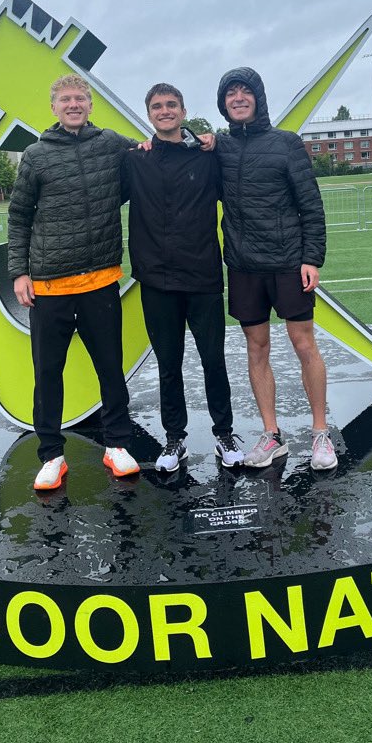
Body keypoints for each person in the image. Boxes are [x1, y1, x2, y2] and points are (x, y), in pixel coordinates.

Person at [8, 73, 140, 489]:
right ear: (53, 107)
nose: (73, 105)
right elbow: (19, 217)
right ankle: (50, 454)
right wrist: (19, 271)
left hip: (100, 281)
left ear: (90, 104)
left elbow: (152, 154)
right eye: (65, 99)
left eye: (80, 98)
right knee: (48, 372)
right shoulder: (35, 154)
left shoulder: (112, 144)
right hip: (49, 287)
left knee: (110, 369)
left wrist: (200, 142)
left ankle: (117, 445)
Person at [214, 67, 336, 471]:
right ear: (223, 103)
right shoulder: (219, 148)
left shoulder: (286, 144)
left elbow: (311, 206)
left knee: (304, 345)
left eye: (244, 91)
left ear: (258, 97)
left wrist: (311, 258)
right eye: (230, 93)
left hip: (288, 263)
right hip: (244, 266)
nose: (238, 98)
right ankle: (272, 435)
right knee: (257, 348)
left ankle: (320, 433)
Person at [121, 83, 244, 472]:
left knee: (213, 360)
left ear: (183, 110)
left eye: (171, 105)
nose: (165, 111)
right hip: (156, 280)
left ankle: (224, 434)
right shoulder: (134, 160)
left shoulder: (209, 156)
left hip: (203, 275)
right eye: (157, 106)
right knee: (168, 364)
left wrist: (214, 140)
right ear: (149, 113)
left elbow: (242, 185)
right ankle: (174, 440)